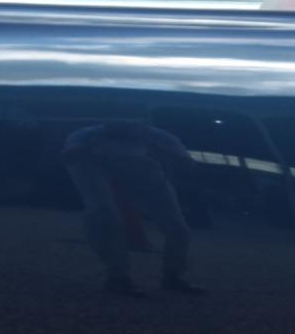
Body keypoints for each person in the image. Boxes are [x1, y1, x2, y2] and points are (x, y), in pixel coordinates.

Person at [62, 121, 203, 296]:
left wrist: (161, 151)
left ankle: (172, 276)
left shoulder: (160, 138)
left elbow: (189, 165)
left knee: (178, 228)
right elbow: (68, 157)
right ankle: (117, 278)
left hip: (144, 165)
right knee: (105, 215)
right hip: (92, 164)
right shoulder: (85, 136)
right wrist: (88, 148)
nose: (125, 128)